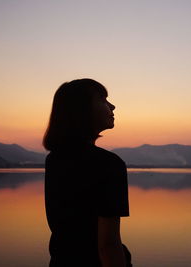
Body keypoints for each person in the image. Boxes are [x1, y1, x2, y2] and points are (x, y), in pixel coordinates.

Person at [43, 78, 132, 267]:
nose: (112, 106)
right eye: (102, 99)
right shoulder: (108, 164)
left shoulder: (54, 160)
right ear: (81, 110)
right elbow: (107, 245)